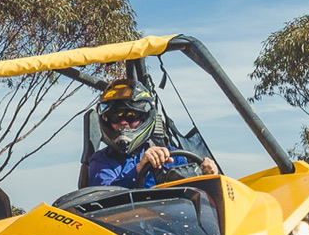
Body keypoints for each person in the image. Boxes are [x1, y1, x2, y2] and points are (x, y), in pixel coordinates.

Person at [84, 80, 218, 189]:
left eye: (131, 116)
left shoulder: (173, 156)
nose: (124, 123)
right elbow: (102, 198)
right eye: (116, 118)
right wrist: (139, 168)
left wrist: (208, 175)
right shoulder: (102, 159)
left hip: (173, 218)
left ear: (145, 118)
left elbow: (194, 193)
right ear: (106, 122)